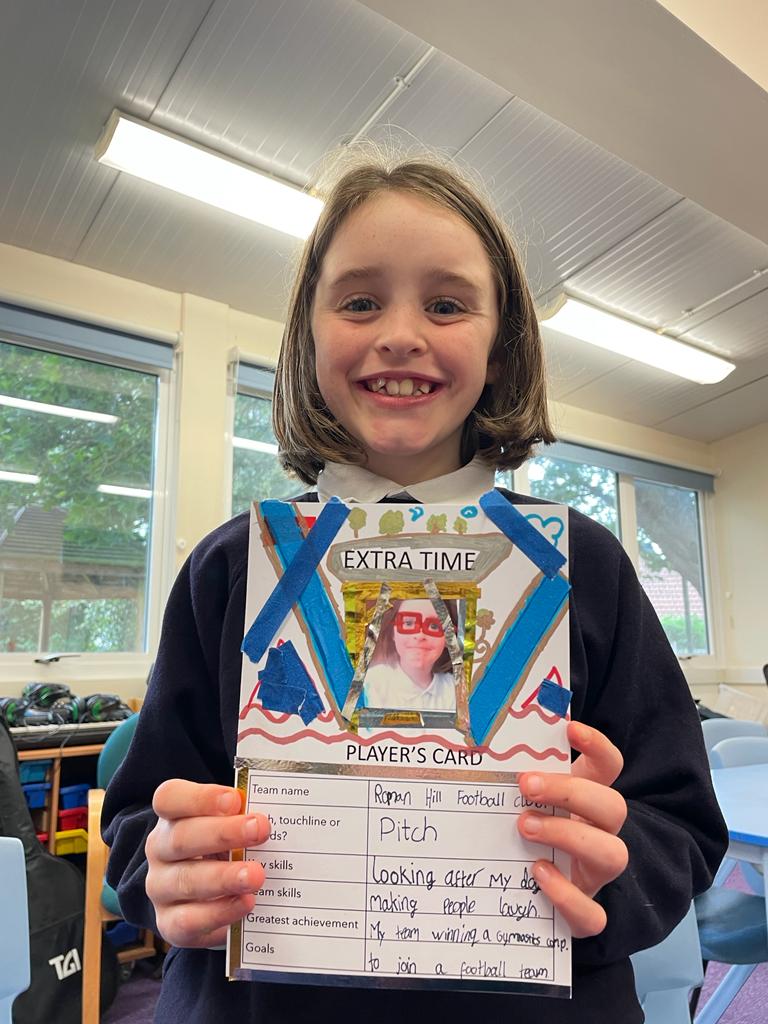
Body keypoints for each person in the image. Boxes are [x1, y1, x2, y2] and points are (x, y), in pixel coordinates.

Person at [102, 148, 727, 1023]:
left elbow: (683, 828)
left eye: (445, 303)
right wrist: (164, 867)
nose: (401, 333)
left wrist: (616, 865)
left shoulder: (584, 565)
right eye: (359, 301)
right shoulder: (229, 566)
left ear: (501, 349)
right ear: (309, 338)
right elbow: (137, 823)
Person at [362, 598, 458, 712]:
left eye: (434, 626)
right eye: (408, 623)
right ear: (393, 632)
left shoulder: (455, 690)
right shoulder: (370, 684)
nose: (420, 635)